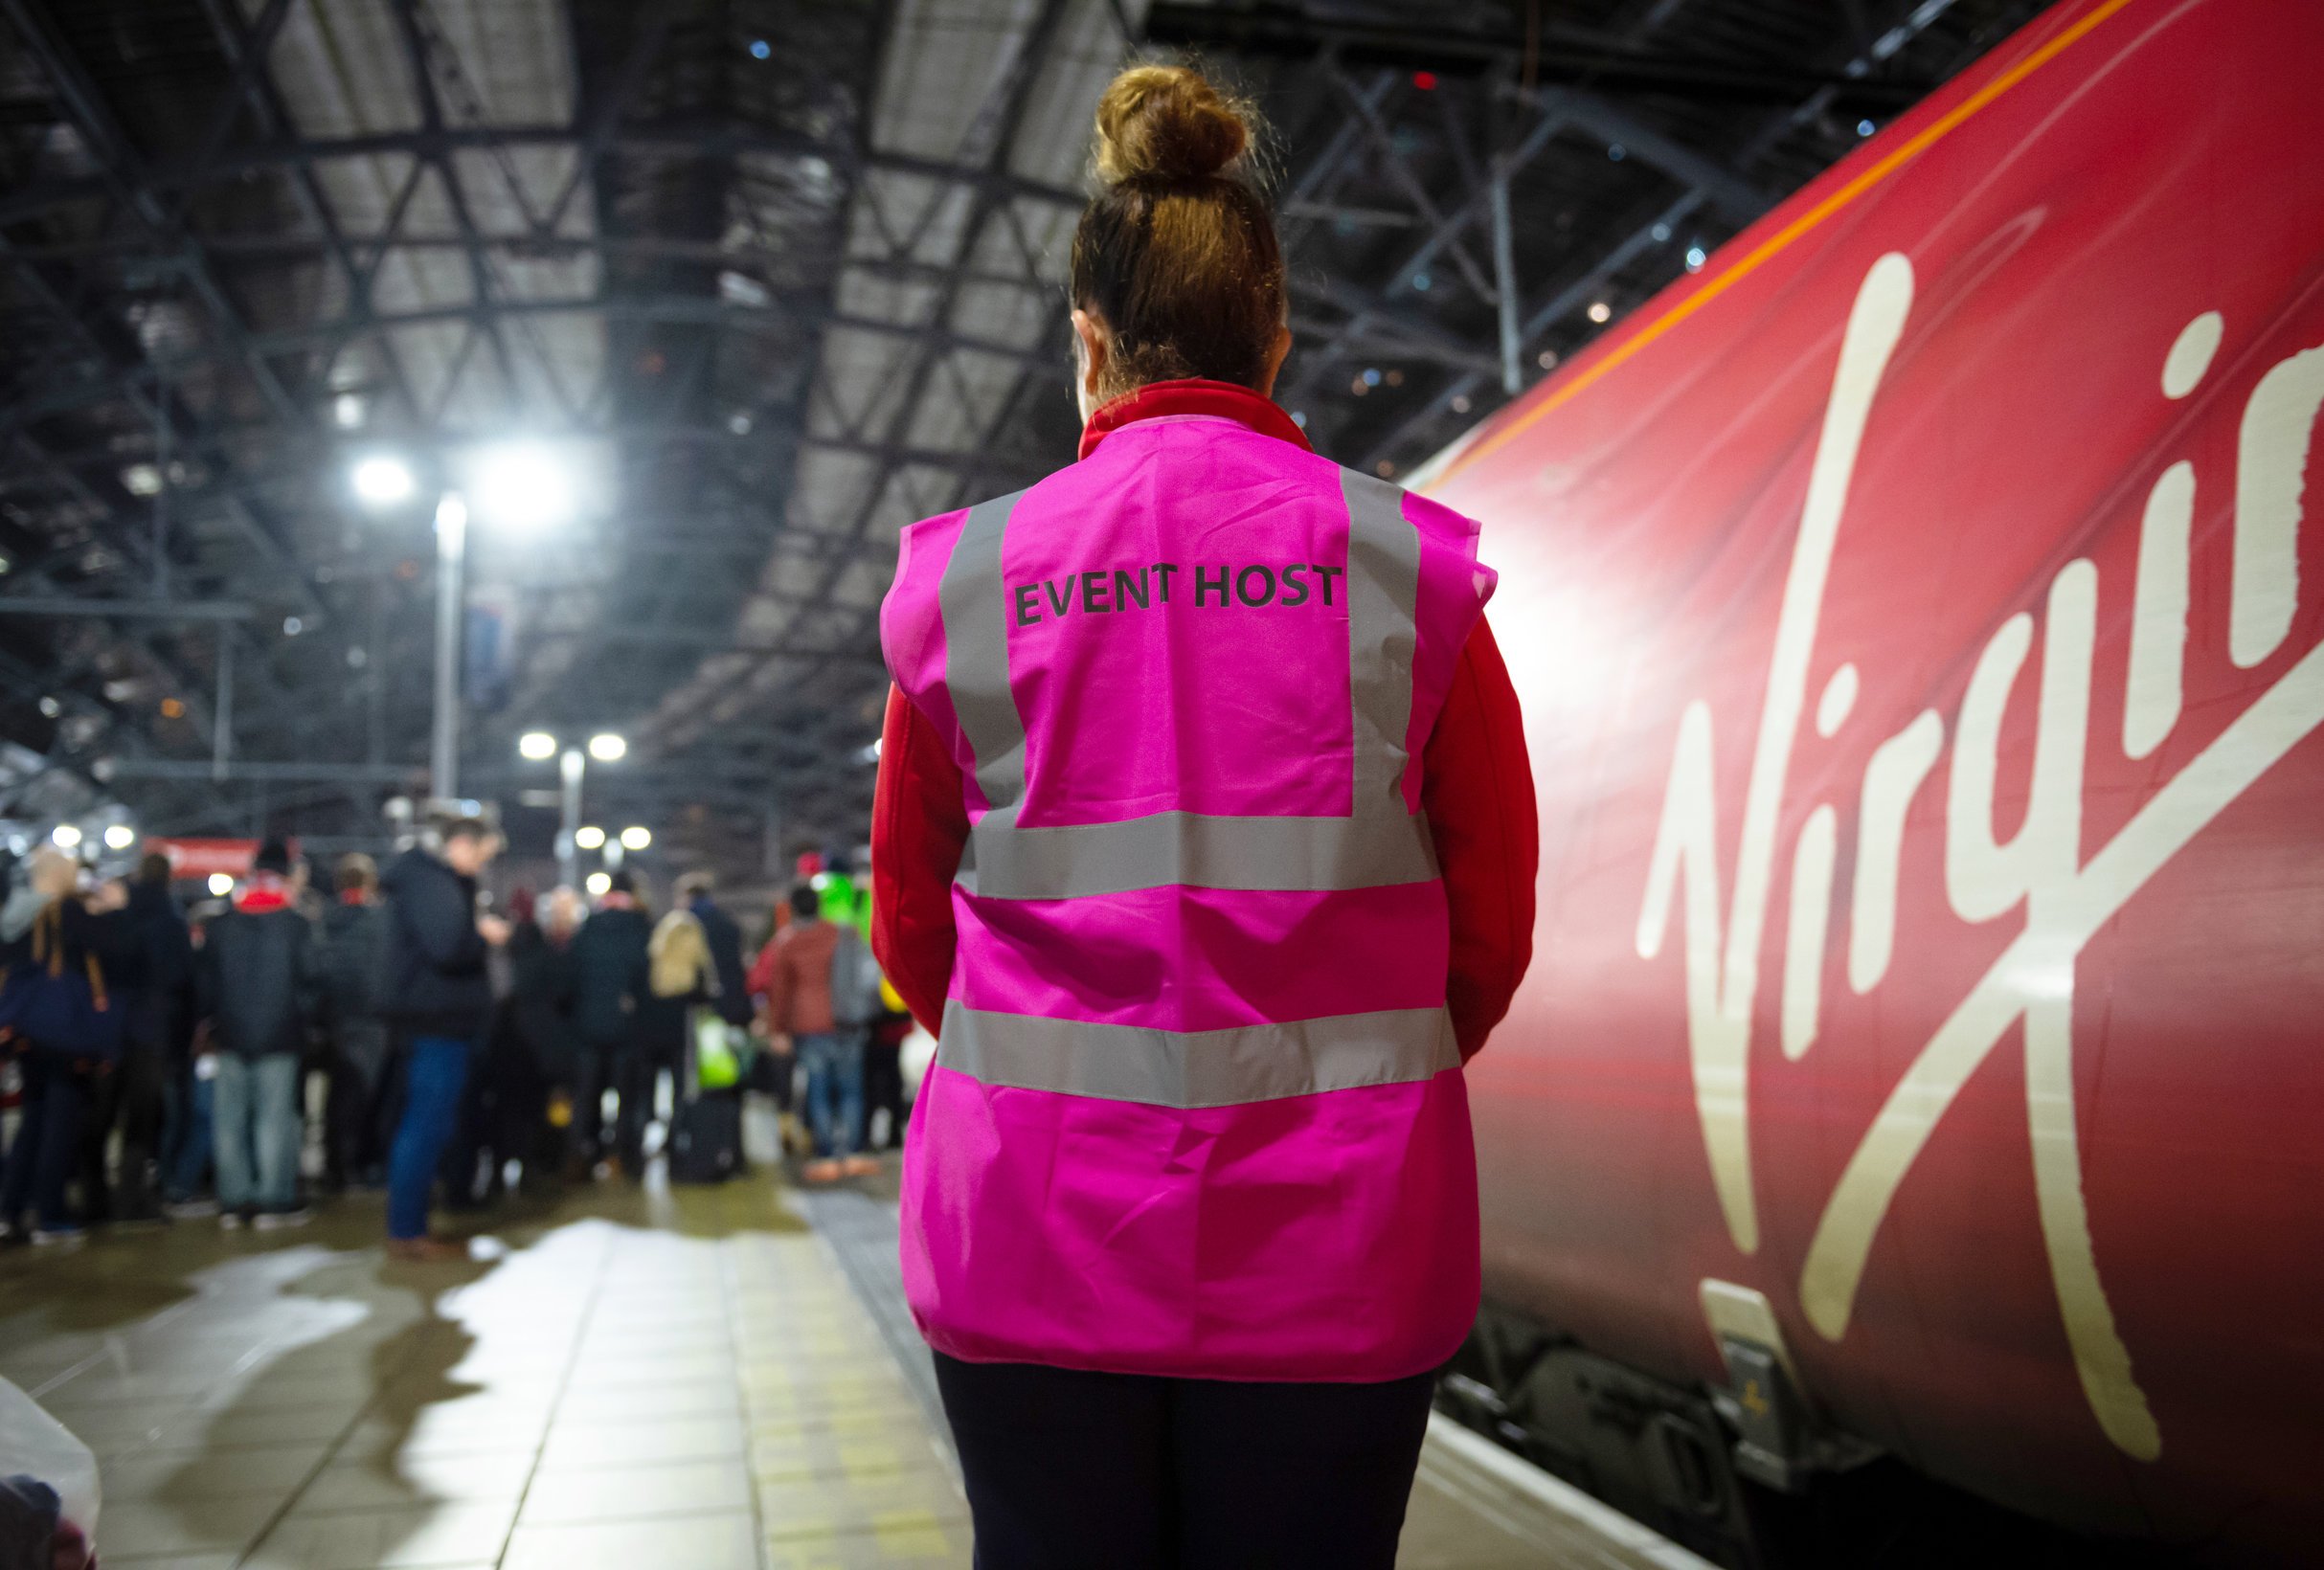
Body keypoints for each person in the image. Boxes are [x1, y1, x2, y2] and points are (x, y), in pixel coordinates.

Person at [869, 65, 1538, 1570]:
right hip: (1343, 1238)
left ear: (1086, 346)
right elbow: (1487, 928)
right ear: (1277, 344)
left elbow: (910, 922)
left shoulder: (964, 582)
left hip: (1028, 1226)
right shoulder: (1407, 576)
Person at [377, 817, 507, 1259]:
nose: (480, 866)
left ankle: (410, 1225)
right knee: (426, 1124)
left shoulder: (424, 881)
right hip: (436, 1019)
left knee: (428, 1122)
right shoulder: (431, 883)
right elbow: (449, 944)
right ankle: (408, 1229)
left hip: (436, 1016)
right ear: (461, 844)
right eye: (481, 854)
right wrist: (480, 935)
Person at [0, 848, 132, 1245]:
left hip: (23, 1030)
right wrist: (116, 908)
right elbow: (116, 949)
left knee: (32, 1121)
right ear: (60, 875)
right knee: (59, 1124)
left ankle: (9, 1209)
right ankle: (49, 1214)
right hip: (60, 1034)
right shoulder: (64, 913)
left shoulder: (13, 917)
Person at [196, 841, 321, 1230]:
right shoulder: (297, 925)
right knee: (274, 1120)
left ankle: (233, 1201)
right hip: (281, 1035)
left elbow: (205, 984)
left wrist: (213, 1023)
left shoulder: (221, 925)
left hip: (230, 1034)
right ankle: (274, 1200)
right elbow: (313, 982)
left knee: (229, 1120)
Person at [80, 853, 189, 1225]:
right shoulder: (170, 922)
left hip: (107, 1030)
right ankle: (131, 1199)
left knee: (99, 1118)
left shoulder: (110, 918)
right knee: (142, 1123)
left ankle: (94, 1199)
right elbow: (181, 980)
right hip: (151, 1032)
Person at [762, 882, 875, 1182]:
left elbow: (781, 991)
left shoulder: (787, 942)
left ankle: (826, 1156)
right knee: (852, 1089)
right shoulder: (841, 933)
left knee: (819, 1090)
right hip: (847, 1020)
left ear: (792, 909)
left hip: (809, 1025)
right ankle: (853, 1153)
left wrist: (778, 1030)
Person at [567, 869, 650, 1178]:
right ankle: (622, 1158)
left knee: (586, 1096)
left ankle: (579, 1154)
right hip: (628, 1027)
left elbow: (572, 974)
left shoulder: (589, 927)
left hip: (587, 1026)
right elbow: (646, 978)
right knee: (627, 1099)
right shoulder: (641, 928)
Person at [318, 852, 394, 1190]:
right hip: (373, 1020)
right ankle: (364, 1164)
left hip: (334, 1020)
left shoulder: (323, 920)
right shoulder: (381, 922)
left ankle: (336, 1164)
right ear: (370, 883)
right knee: (370, 1094)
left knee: (338, 1095)